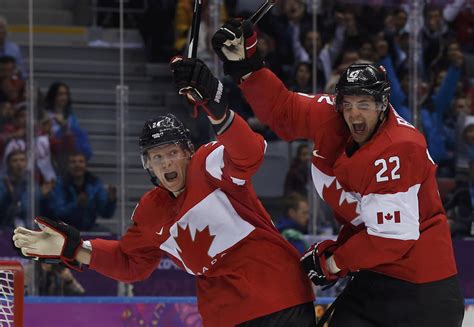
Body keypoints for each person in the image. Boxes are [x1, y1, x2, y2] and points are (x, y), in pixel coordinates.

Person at [13, 58, 315, 327]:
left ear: (188, 152)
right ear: (148, 167)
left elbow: (251, 152)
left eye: (172, 152)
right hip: (225, 315)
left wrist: (215, 106)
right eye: (157, 157)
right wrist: (73, 248)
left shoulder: (208, 164)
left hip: (278, 297)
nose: (166, 162)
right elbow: (130, 262)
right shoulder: (150, 210)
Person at [211, 19, 465, 326]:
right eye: (347, 103)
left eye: (364, 104)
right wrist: (247, 66)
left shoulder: (398, 148)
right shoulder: (330, 116)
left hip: (422, 292)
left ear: (383, 104)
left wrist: (333, 262)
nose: (354, 113)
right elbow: (281, 109)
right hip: (373, 278)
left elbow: (390, 240)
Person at [48, 152, 117, 231]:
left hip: (89, 229)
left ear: (86, 165)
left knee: (108, 235)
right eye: (73, 162)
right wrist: (77, 204)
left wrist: (111, 201)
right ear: (68, 165)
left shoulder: (95, 184)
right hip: (65, 230)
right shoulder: (60, 184)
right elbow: (58, 212)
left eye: (81, 161)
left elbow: (106, 214)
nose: (77, 165)